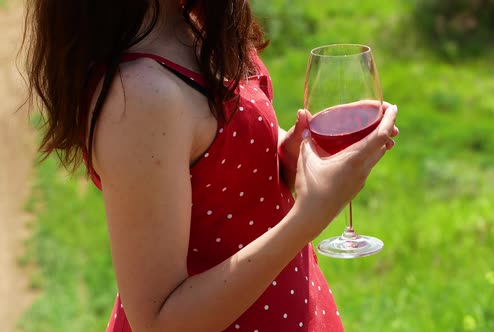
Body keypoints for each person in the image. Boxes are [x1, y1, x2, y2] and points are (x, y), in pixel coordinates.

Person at [23, 0, 399, 331]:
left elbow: (217, 174)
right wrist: (311, 215)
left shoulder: (193, 24)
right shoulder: (139, 96)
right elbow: (158, 322)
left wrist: (282, 159)